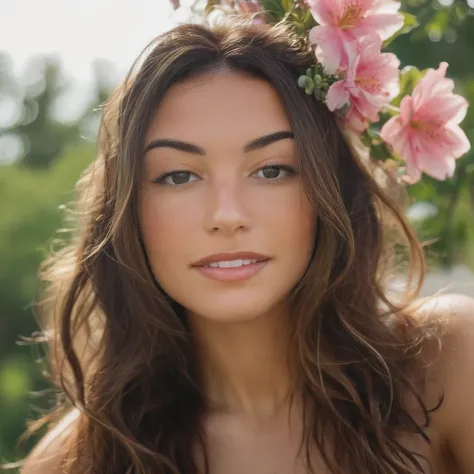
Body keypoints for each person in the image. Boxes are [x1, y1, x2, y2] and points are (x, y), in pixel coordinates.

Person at [16, 13, 474, 474]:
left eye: (271, 170)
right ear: (128, 210)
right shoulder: (81, 459)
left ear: (329, 190)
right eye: (179, 176)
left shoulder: (448, 363)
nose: (226, 216)